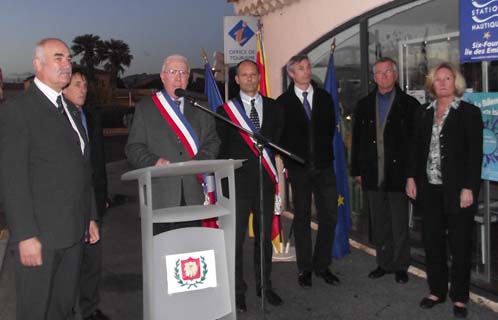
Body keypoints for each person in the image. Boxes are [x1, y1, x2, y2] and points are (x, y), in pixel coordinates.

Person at [0, 38, 99, 320]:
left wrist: (90, 215)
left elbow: (82, 169)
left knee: (63, 308)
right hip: (40, 237)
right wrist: (25, 235)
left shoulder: (70, 111)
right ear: (37, 65)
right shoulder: (18, 110)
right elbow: (12, 178)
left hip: (73, 232)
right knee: (35, 311)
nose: (66, 64)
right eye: (58, 57)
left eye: (68, 58)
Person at [406, 63, 483, 318]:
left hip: (458, 190)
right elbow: (415, 151)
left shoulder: (469, 113)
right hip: (429, 190)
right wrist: (410, 178)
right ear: (432, 84)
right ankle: (436, 290)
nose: (442, 83)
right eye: (437, 79)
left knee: (460, 244)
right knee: (432, 242)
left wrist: (469, 187)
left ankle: (460, 297)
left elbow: (475, 155)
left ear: (456, 82)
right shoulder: (423, 112)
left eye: (447, 78)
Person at [216, 60, 283, 312]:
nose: (249, 79)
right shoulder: (225, 111)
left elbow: (277, 140)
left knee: (263, 239)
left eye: (253, 75)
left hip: (265, 182)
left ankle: (265, 286)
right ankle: (238, 291)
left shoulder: (275, 108)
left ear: (259, 76)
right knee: (237, 240)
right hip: (238, 184)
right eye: (244, 75)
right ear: (236, 80)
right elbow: (222, 147)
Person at [125, 54, 219, 232]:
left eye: (183, 73)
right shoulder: (146, 107)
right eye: (173, 72)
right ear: (163, 76)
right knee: (164, 253)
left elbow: (212, 141)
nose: (178, 78)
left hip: (194, 193)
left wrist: (200, 161)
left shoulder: (200, 107)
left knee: (192, 252)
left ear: (189, 78)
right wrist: (153, 161)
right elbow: (133, 147)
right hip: (160, 195)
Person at [351, 57, 420, 284]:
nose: (383, 76)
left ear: (396, 74)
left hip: (398, 174)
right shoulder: (363, 105)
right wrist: (357, 170)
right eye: (379, 73)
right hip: (372, 172)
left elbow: (415, 144)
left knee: (399, 222)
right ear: (374, 77)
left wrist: (412, 175)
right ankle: (384, 262)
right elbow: (358, 141)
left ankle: (401, 265)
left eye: (388, 72)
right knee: (379, 222)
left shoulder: (409, 105)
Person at [277, 54, 339, 288]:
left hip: (324, 167)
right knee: (301, 217)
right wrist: (290, 158)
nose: (306, 71)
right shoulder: (282, 102)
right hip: (299, 170)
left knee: (329, 216)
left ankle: (322, 265)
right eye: (300, 68)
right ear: (292, 74)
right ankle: (305, 269)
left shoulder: (324, 97)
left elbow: (330, 130)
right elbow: (279, 136)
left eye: (308, 66)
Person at [63, 69, 109, 320]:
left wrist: (104, 195)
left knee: (93, 261)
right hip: (71, 203)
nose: (83, 89)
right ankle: (69, 309)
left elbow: (99, 161)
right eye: (77, 84)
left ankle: (90, 309)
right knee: (71, 262)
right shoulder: (58, 117)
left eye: (84, 84)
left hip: (95, 200)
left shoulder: (90, 117)